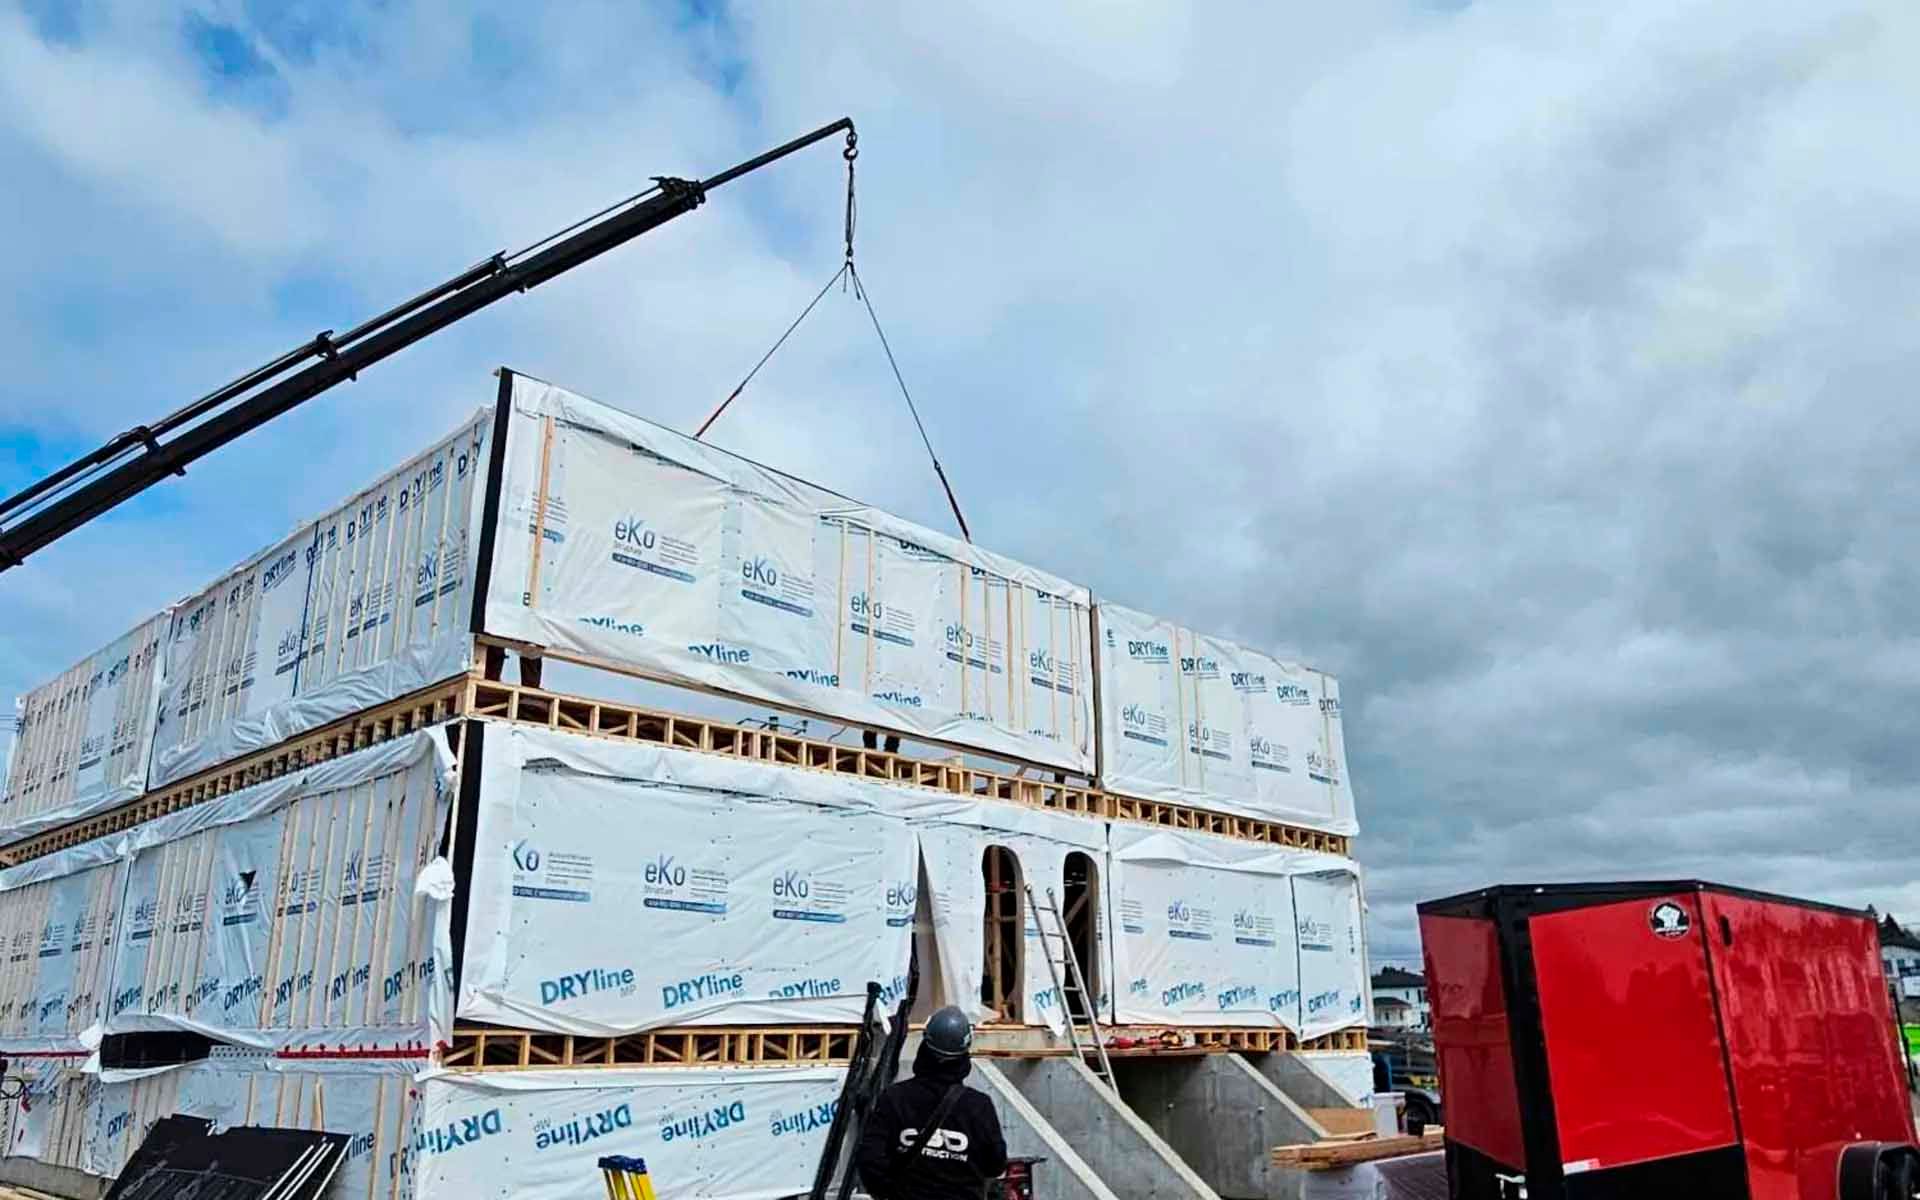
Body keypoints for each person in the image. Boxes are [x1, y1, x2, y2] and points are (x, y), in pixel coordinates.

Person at [855, 1006, 1008, 1200]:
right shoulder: (978, 1106)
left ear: (924, 1046)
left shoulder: (894, 1098)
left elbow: (870, 1160)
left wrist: (892, 1194)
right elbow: (995, 1164)